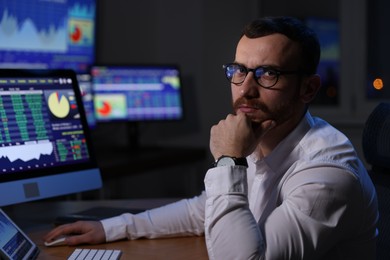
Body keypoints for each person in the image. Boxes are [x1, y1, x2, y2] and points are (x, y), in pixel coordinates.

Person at [44, 16, 378, 259]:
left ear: (308, 89)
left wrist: (229, 160)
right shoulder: (262, 135)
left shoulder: (329, 174)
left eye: (268, 74)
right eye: (239, 71)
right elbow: (205, 209)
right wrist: (112, 228)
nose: (246, 89)